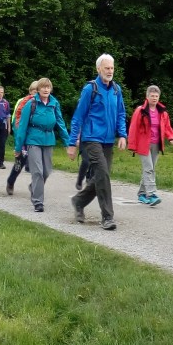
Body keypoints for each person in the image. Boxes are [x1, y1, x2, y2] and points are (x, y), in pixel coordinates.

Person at [68, 54, 127, 230]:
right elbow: (78, 117)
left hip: (108, 140)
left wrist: (122, 135)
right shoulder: (90, 89)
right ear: (98, 69)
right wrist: (72, 143)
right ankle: (107, 217)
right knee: (102, 173)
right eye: (107, 68)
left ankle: (78, 201)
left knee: (102, 175)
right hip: (91, 138)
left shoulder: (116, 89)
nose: (110, 71)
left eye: (112, 68)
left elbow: (121, 113)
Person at [13, 78, 70, 212]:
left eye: (48, 87)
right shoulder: (31, 104)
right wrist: (18, 147)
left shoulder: (54, 103)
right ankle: (38, 202)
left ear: (50, 89)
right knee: (37, 171)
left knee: (46, 171)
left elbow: (60, 123)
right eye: (43, 87)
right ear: (38, 89)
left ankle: (34, 187)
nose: (45, 89)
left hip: (49, 139)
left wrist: (67, 142)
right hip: (33, 139)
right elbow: (22, 127)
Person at [127, 85, 173, 206]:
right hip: (143, 144)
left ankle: (142, 194)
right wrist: (132, 145)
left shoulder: (162, 112)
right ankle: (152, 194)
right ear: (147, 96)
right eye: (152, 96)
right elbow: (133, 128)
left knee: (150, 168)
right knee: (148, 168)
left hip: (156, 144)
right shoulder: (140, 110)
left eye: (156, 96)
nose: (154, 98)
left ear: (159, 97)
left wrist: (170, 137)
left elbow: (167, 127)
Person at [7, 81, 39, 194]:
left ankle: (36, 187)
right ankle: (11, 181)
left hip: (36, 138)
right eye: (34, 91)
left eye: (38, 91)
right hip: (24, 136)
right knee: (20, 162)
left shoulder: (43, 103)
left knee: (38, 165)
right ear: (30, 91)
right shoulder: (23, 102)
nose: (36, 94)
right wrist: (19, 139)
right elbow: (16, 120)